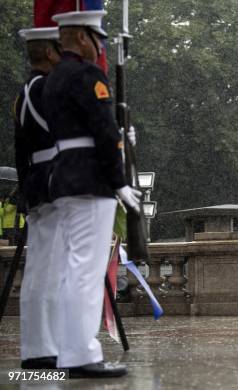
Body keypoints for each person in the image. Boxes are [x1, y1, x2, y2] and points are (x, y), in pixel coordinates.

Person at [42, 10, 141, 377]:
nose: (100, 47)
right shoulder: (87, 75)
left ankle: (70, 351)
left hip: (65, 179)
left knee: (74, 269)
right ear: (82, 37)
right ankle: (81, 355)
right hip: (91, 181)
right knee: (87, 269)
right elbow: (103, 132)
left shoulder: (52, 79)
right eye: (97, 39)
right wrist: (119, 180)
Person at [13, 26, 62, 370]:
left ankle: (40, 345)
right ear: (49, 53)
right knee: (50, 267)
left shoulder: (26, 90)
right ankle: (43, 347)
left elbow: (21, 150)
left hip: (39, 180)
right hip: (55, 181)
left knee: (43, 266)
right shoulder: (47, 88)